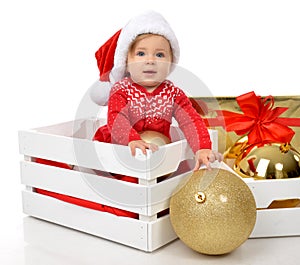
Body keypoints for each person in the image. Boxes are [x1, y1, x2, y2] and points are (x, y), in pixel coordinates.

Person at [93, 11, 223, 171]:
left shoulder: (173, 94)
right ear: (127, 63)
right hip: (120, 148)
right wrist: (131, 139)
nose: (150, 61)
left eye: (160, 55)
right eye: (141, 53)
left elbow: (191, 121)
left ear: (170, 63)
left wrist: (202, 147)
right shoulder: (121, 90)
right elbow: (117, 119)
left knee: (169, 172)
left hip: (157, 152)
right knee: (126, 175)